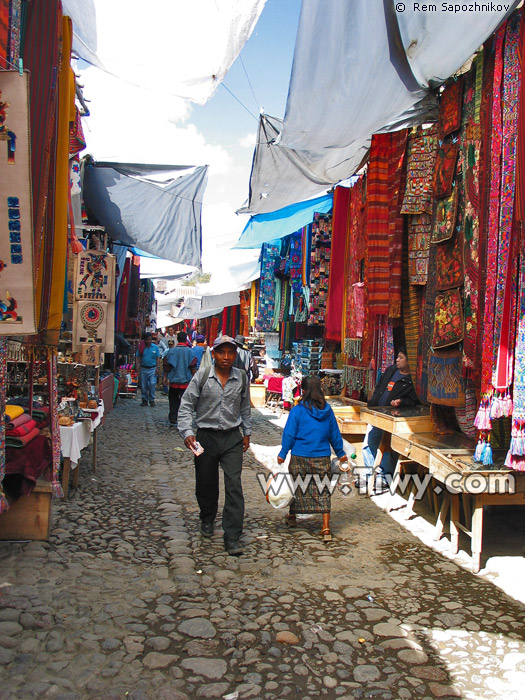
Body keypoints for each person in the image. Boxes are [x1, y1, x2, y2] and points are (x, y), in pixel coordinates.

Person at [178, 335, 252, 556]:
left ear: (235, 355)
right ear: (214, 354)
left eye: (230, 352)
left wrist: (247, 432)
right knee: (206, 481)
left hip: (231, 438)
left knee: (234, 485)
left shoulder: (241, 378)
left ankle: (232, 535)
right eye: (222, 352)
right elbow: (186, 405)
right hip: (205, 438)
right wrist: (187, 432)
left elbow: (245, 407)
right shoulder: (202, 376)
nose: (226, 357)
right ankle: (207, 518)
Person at [277, 376, 347, 542]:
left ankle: (292, 516)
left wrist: (283, 453)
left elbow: (289, 434)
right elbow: (334, 434)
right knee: (322, 489)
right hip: (321, 456)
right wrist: (340, 452)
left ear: (304, 390)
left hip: (300, 454)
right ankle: (326, 527)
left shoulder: (298, 410)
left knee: (297, 485)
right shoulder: (328, 411)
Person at [363, 347, 419, 487]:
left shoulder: (411, 380)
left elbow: (414, 401)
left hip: (392, 417)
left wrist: (401, 402)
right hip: (377, 412)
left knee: (388, 448)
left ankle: (384, 477)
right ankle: (370, 473)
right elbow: (380, 386)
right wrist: (374, 401)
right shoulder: (391, 370)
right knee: (369, 442)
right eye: (398, 357)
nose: (397, 359)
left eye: (401, 357)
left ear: (409, 361)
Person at [163, 332, 194, 425]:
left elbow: (167, 366)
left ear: (177, 339)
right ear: (185, 339)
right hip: (186, 382)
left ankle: (173, 417)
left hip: (174, 382)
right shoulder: (190, 351)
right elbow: (193, 367)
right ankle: (183, 418)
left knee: (173, 401)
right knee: (184, 402)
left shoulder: (172, 351)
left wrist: (165, 377)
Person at [137, 332, 161, 406]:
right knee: (143, 385)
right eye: (147, 340)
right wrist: (137, 366)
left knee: (152, 384)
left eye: (150, 339)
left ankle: (152, 399)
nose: (149, 341)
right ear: (145, 340)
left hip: (152, 368)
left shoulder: (155, 347)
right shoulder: (141, 347)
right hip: (143, 368)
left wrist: (157, 367)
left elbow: (158, 358)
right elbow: (138, 356)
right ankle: (144, 399)